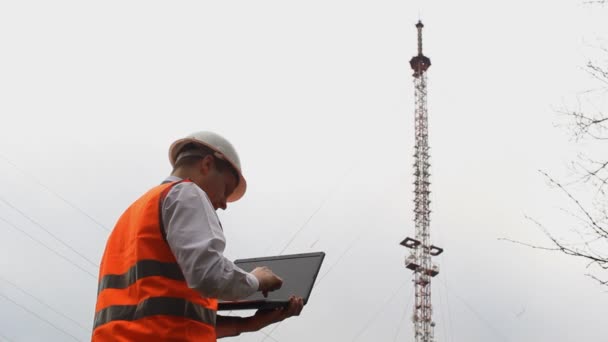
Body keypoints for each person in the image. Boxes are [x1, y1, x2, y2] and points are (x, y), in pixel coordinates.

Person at [92, 131, 304, 341]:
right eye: (225, 189)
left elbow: (168, 315)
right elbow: (209, 275)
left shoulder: (132, 215)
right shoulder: (186, 193)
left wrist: (249, 324)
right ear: (207, 165)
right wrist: (256, 280)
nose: (223, 204)